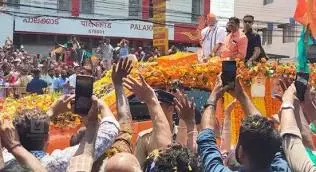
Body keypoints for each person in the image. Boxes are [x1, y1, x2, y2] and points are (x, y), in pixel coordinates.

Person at [197, 74, 290, 171]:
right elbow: (206, 138)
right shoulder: (283, 168)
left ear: (240, 152)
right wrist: (241, 96)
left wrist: (213, 98)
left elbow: (206, 140)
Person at [3, 95, 119, 172]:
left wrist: (51, 112)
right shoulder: (58, 163)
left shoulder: (5, 159)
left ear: (13, 134)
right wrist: (101, 104)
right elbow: (108, 132)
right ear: (47, 137)